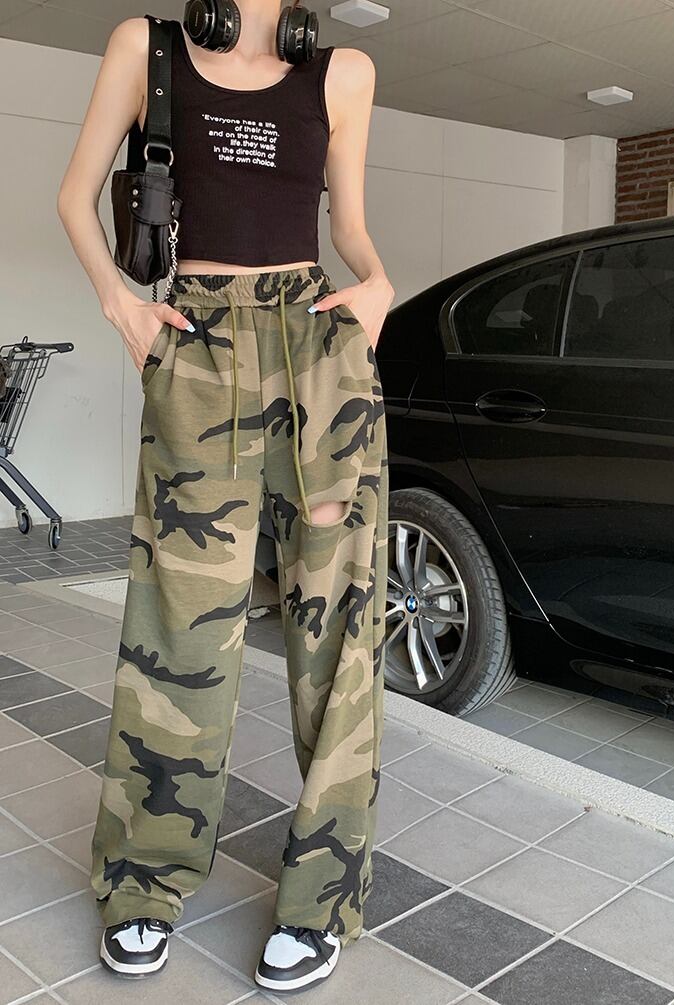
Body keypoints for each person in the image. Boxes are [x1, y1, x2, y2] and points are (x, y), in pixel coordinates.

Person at [57, 0, 393, 991]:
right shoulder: (149, 48)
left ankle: (322, 899)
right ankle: (143, 879)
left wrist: (378, 283)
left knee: (338, 623)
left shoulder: (343, 73)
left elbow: (351, 228)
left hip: (318, 347)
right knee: (181, 625)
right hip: (197, 345)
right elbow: (75, 196)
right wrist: (122, 304)